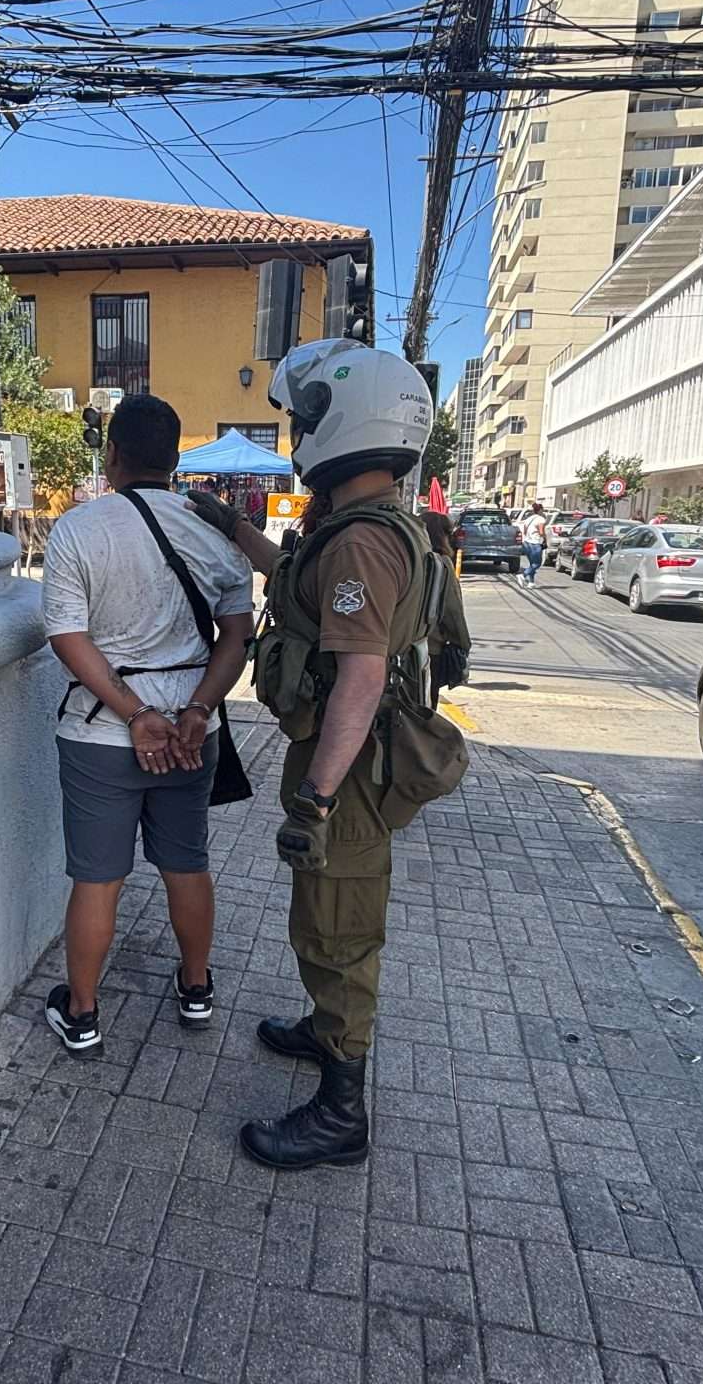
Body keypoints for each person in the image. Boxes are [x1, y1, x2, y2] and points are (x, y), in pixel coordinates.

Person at [187, 339, 469, 1171]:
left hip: (347, 774)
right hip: (354, 763)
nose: (298, 432)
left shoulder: (360, 543)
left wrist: (313, 799)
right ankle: (322, 1031)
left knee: (338, 932)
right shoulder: (369, 527)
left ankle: (342, 1114)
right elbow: (303, 589)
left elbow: (359, 677)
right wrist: (236, 527)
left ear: (342, 424)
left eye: (306, 417)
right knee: (325, 917)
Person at [40, 394, 254, 1056]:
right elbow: (236, 636)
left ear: (111, 456)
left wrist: (136, 716)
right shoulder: (214, 530)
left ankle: (81, 1014)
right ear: (176, 459)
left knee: (97, 878)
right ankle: (195, 991)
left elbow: (67, 638)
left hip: (101, 733)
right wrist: (195, 710)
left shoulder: (79, 529)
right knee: (186, 864)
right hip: (194, 734)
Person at [518, 508, 548, 583]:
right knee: (537, 564)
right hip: (535, 543)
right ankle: (523, 575)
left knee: (532, 564)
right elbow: (541, 532)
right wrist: (545, 537)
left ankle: (531, 582)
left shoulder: (528, 519)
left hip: (526, 543)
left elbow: (524, 532)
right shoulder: (541, 519)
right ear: (540, 510)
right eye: (542, 510)